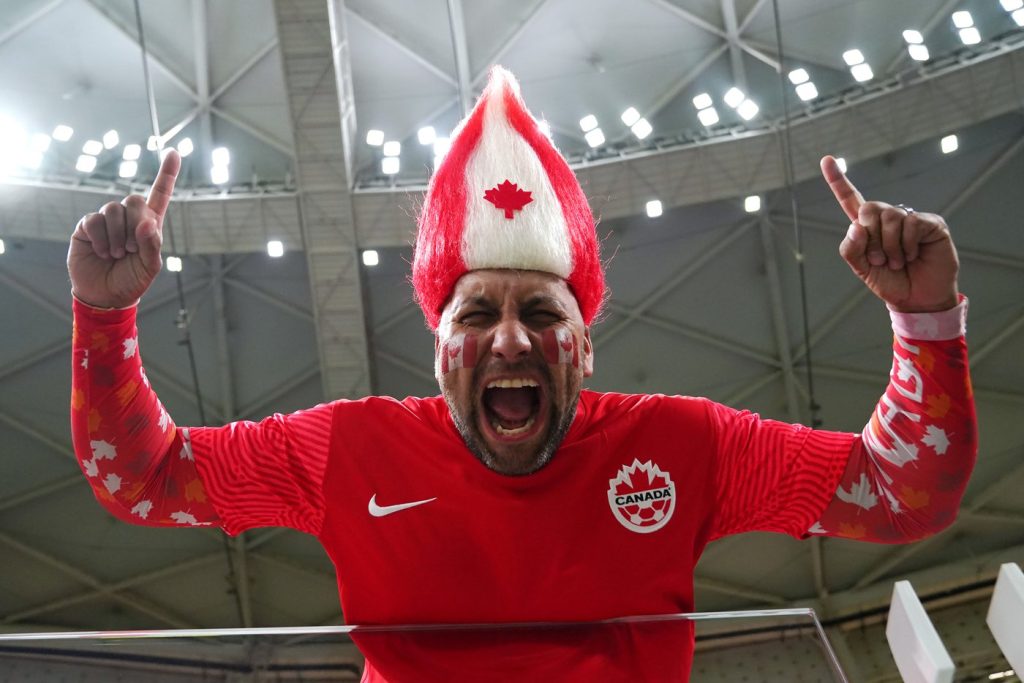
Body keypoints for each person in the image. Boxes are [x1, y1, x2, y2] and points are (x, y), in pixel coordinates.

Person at [68, 67, 976, 682]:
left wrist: (925, 321)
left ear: (584, 348)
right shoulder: (348, 448)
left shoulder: (684, 443)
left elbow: (902, 495)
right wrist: (104, 321)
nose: (510, 340)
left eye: (542, 313)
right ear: (439, 352)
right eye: (478, 314)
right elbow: (142, 478)